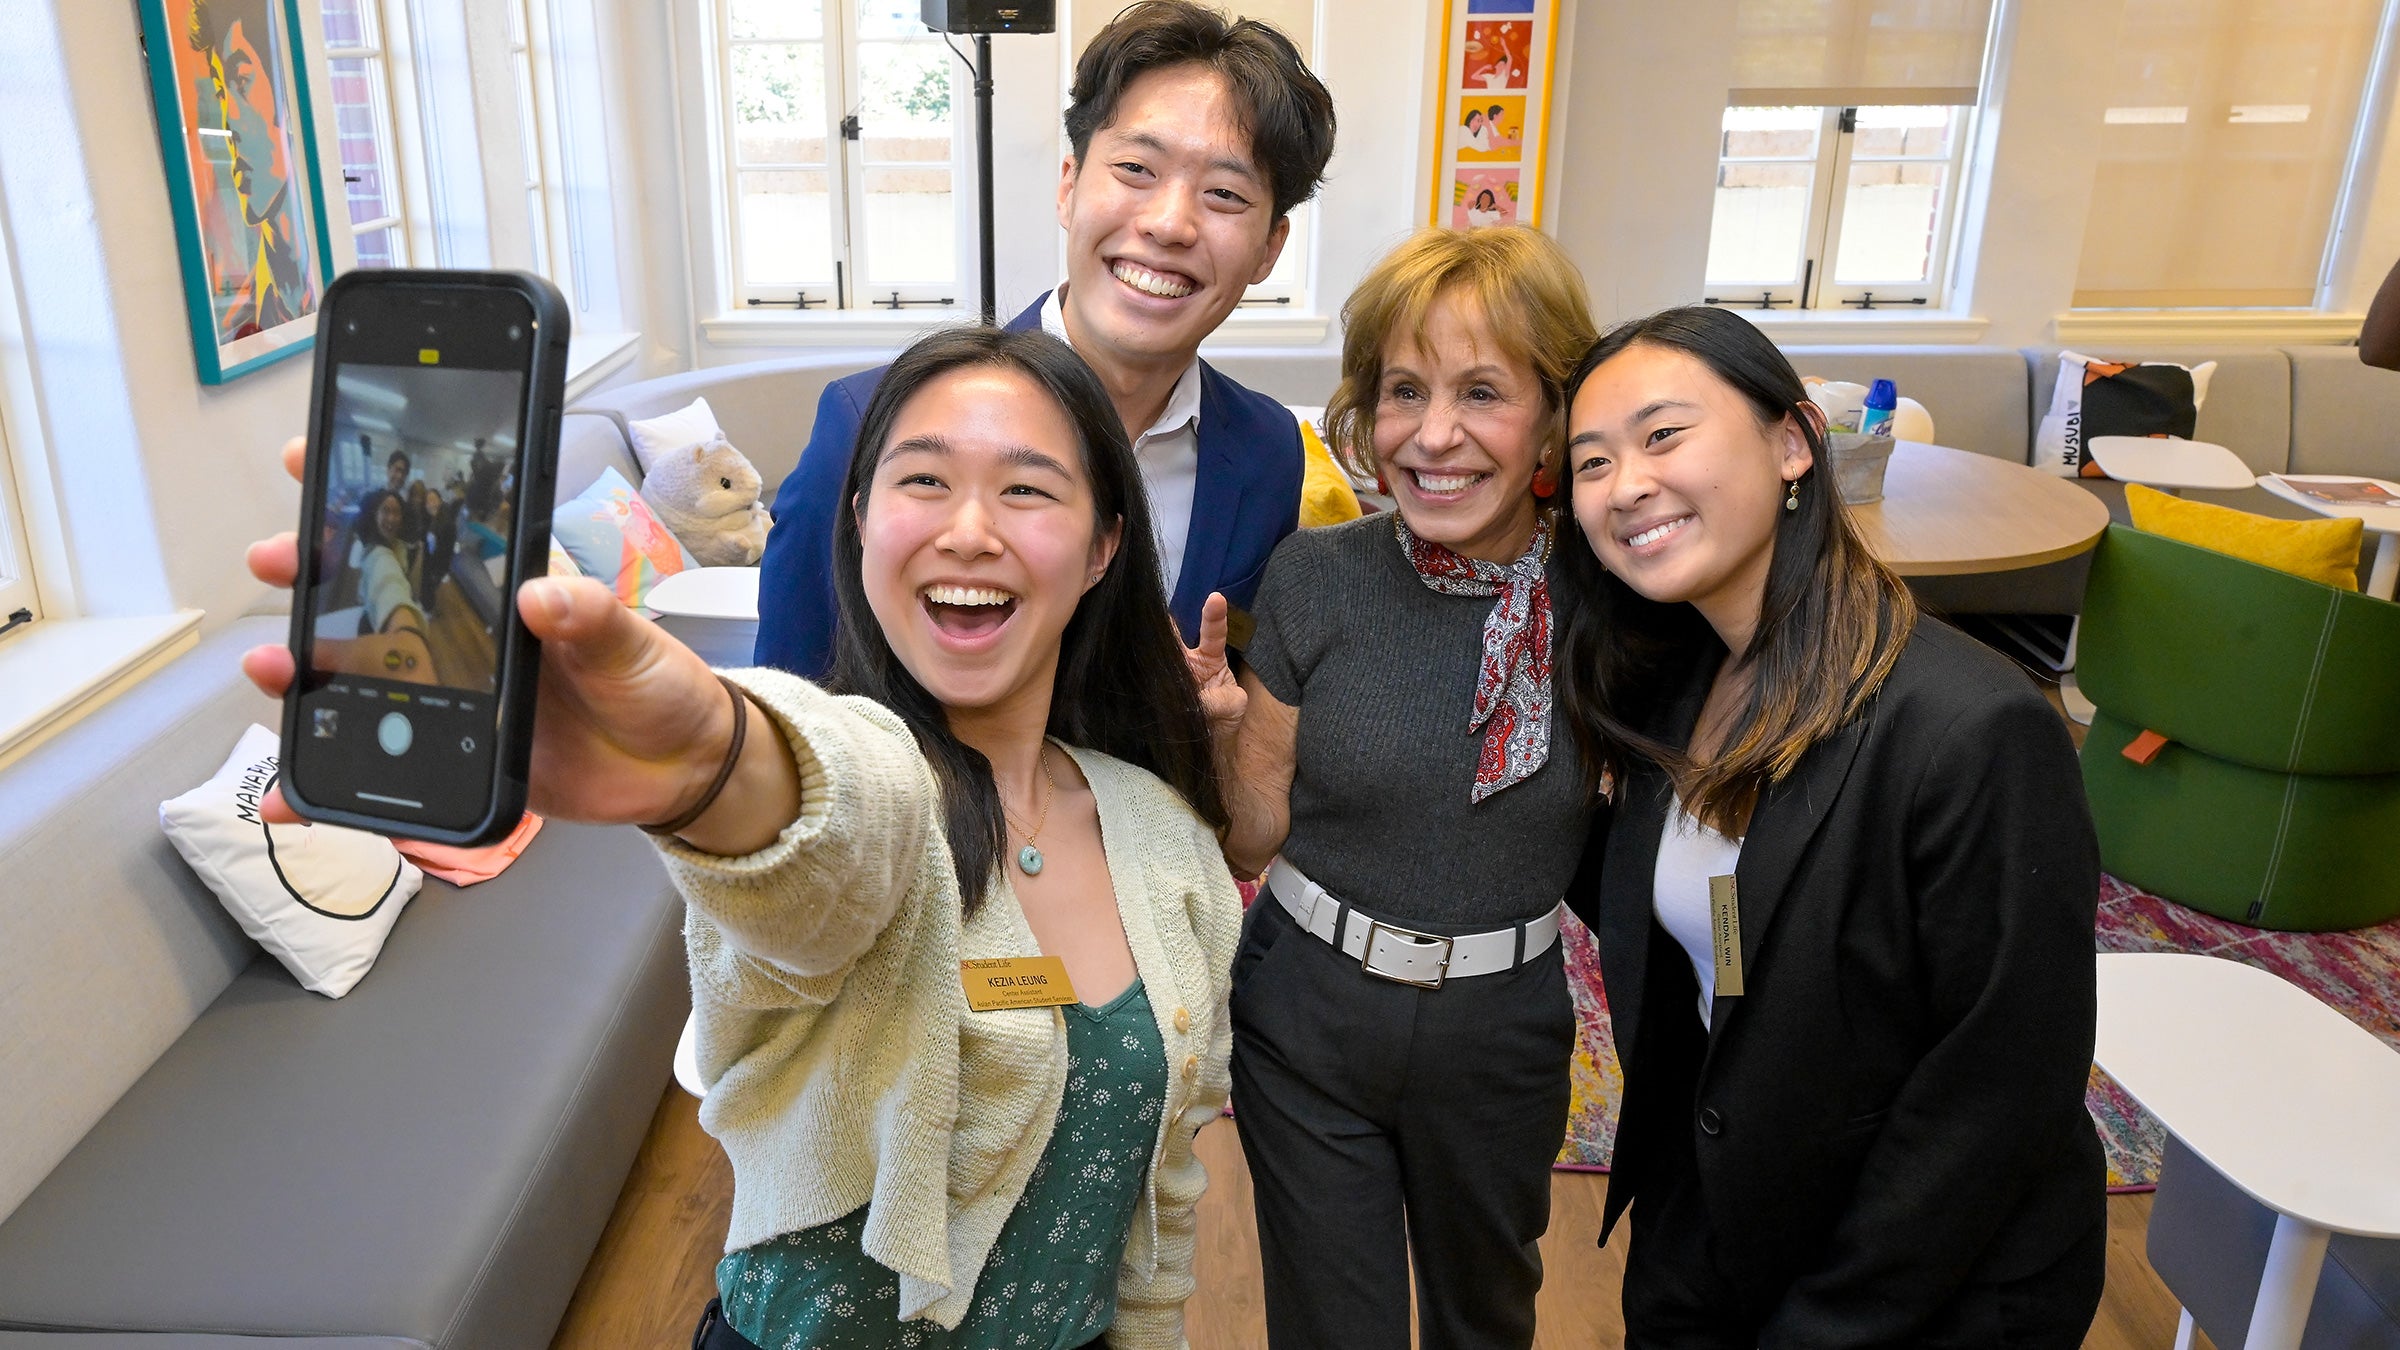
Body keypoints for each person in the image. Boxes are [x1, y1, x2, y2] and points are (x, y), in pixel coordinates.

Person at [244, 326, 1243, 1349]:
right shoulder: (869, 790)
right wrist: (711, 763)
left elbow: (1161, 1196)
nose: (970, 531)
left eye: (1028, 490)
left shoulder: (1166, 843)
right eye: (924, 481)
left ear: (1103, 545)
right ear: (858, 524)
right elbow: (829, 827)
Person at [1553, 306, 2106, 1345]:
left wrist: (1827, 1322)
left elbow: (1995, 1099)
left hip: (1925, 1281)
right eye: (1591, 462)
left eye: (1664, 436)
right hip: (1727, 1224)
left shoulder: (1971, 729)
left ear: (1794, 442)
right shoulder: (1676, 684)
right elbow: (1726, 927)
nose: (1625, 485)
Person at [1204, 227, 1601, 1349]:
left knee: (1488, 1320)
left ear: (1552, 415)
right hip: (1305, 1010)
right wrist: (1221, 740)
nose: (1433, 435)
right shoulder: (1314, 578)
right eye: (1402, 391)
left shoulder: (1614, 602)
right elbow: (1251, 836)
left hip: (1503, 1027)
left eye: (1483, 391)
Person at [755, 0, 1340, 678]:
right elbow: (791, 709)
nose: (1169, 223)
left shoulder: (1266, 452)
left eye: (1225, 195)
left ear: (1270, 248)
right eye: (1136, 170)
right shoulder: (871, 426)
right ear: (1069, 187)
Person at [186, 0, 317, 340]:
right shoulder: (237, 326)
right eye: (220, 91)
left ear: (286, 97)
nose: (230, 122)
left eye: (241, 81)